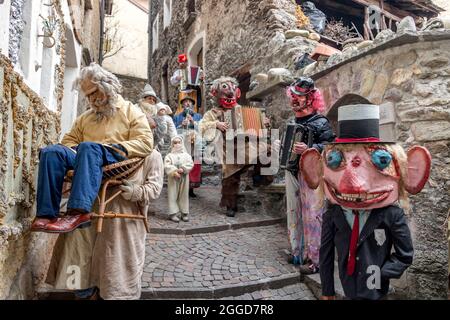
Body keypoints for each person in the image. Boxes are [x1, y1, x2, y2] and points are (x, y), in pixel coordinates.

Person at [300, 103, 431, 300]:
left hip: (376, 287)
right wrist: (327, 290)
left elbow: (405, 255)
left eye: (381, 159)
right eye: (335, 160)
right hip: (347, 284)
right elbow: (325, 253)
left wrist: (380, 274)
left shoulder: (391, 214)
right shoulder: (333, 214)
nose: (356, 185)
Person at [30, 63, 153, 233]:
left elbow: (146, 142)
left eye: (94, 92)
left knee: (89, 148)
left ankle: (78, 212)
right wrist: (77, 151)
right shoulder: (85, 118)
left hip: (116, 156)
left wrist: (115, 148)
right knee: (52, 152)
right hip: (85, 157)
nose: (91, 99)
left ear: (107, 86)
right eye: (88, 96)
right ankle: (46, 214)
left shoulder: (131, 111)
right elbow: (68, 141)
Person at [45, 150, 164, 300]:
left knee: (114, 267)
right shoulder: (102, 148)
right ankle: (83, 294)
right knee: (77, 257)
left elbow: (154, 188)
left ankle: (113, 295)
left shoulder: (152, 155)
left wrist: (136, 191)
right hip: (87, 213)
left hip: (122, 224)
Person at [199, 76, 273, 217]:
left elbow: (259, 129)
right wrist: (216, 124)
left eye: (232, 89)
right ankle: (230, 206)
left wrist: (264, 124)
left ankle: (259, 177)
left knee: (267, 150)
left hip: (247, 146)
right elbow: (202, 127)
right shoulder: (213, 113)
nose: (230, 93)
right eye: (225, 89)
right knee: (231, 178)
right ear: (216, 94)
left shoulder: (242, 110)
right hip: (229, 150)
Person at [283, 77, 335, 274]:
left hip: (311, 173)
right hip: (292, 171)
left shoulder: (321, 122)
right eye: (293, 96)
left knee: (314, 216)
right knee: (293, 212)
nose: (295, 100)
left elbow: (331, 147)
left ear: (311, 98)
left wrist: (310, 148)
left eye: (300, 97)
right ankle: (297, 252)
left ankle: (316, 260)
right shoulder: (293, 122)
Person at [173, 95, 203, 197]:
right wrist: (181, 125)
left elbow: (203, 129)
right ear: (182, 105)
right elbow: (173, 132)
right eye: (185, 102)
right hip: (183, 145)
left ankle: (191, 189)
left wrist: (193, 122)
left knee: (195, 165)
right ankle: (181, 188)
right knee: (182, 164)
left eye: (190, 102)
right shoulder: (177, 117)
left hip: (196, 145)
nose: (187, 103)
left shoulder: (198, 116)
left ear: (193, 105)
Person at [164, 136, 194, 222]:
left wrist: (183, 169)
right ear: (172, 144)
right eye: (175, 142)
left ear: (182, 143)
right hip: (173, 178)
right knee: (173, 194)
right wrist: (174, 171)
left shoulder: (186, 155)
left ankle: (184, 213)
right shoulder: (169, 156)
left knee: (184, 194)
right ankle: (173, 213)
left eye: (179, 142)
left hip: (184, 177)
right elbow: (166, 165)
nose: (177, 144)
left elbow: (190, 163)